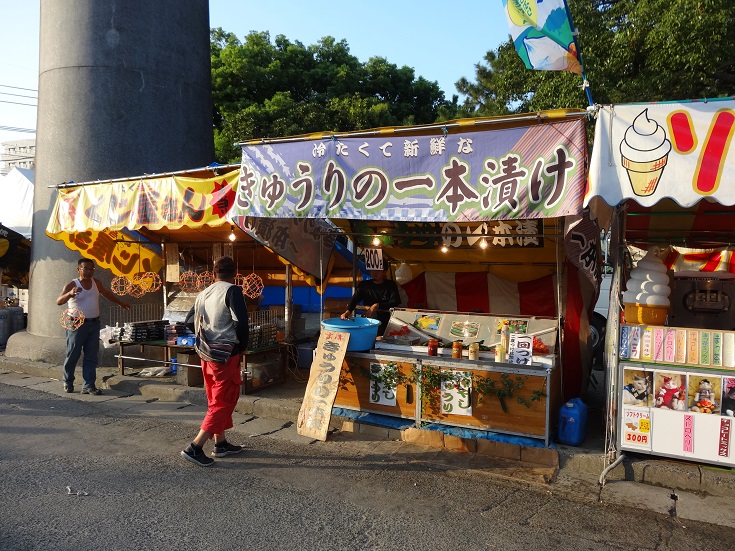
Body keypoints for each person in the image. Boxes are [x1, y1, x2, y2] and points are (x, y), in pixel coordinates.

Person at [182, 256, 249, 467]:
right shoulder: (233, 291)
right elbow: (241, 324)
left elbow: (188, 320)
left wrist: (207, 336)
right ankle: (195, 446)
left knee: (215, 397)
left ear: (213, 274)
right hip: (225, 355)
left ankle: (221, 443)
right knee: (224, 399)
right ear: (235, 273)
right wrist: (242, 346)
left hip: (206, 353)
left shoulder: (204, 293)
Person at [56, 258, 131, 395]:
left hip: (94, 323)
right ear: (79, 269)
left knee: (91, 355)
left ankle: (88, 385)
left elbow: (106, 293)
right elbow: (59, 301)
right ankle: (68, 381)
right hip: (76, 323)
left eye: (92, 269)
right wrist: (70, 293)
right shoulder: (72, 284)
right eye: (86, 268)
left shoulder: (96, 283)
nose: (89, 271)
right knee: (73, 353)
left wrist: (120, 303)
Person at [341, 264, 401, 334]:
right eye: (372, 269)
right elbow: (355, 299)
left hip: (386, 323)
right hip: (368, 321)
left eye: (378, 270)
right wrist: (348, 311)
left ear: (384, 272)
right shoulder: (364, 285)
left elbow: (395, 302)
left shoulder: (391, 285)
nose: (374, 272)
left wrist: (377, 305)